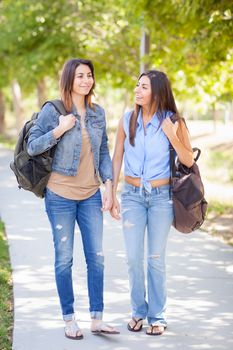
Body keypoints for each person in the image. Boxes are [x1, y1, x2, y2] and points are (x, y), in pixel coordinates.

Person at [27, 58, 119, 339]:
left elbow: (103, 150)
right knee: (64, 259)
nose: (86, 80)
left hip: (90, 194)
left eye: (89, 75)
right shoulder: (52, 110)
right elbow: (32, 147)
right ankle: (69, 319)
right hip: (60, 196)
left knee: (97, 257)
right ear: (69, 79)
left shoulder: (97, 112)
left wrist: (109, 185)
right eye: (80, 76)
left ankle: (97, 318)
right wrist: (59, 129)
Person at [110, 70, 193, 335]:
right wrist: (110, 191)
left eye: (143, 86)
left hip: (161, 199)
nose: (137, 90)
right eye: (137, 85)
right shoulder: (127, 119)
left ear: (157, 91)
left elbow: (188, 160)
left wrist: (172, 134)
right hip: (133, 196)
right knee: (133, 258)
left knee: (155, 258)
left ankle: (157, 316)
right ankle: (138, 311)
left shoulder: (174, 121)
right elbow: (117, 157)